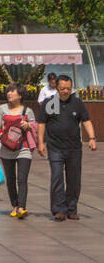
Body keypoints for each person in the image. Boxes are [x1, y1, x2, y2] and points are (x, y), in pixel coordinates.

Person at [36, 74, 97, 221]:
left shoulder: (77, 103)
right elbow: (42, 123)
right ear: (56, 87)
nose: (65, 91)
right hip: (55, 147)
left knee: (74, 179)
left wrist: (92, 138)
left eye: (68, 88)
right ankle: (59, 210)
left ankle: (71, 209)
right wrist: (40, 142)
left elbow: (86, 121)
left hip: (74, 148)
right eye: (62, 88)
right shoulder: (49, 103)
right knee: (57, 178)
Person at [0, 83, 36, 219]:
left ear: (20, 95)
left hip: (24, 149)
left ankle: (22, 207)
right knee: (10, 180)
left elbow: (35, 126)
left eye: (12, 91)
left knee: (22, 179)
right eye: (8, 92)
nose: (9, 94)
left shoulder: (27, 111)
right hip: (6, 149)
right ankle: (15, 205)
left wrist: (28, 125)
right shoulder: (2, 109)